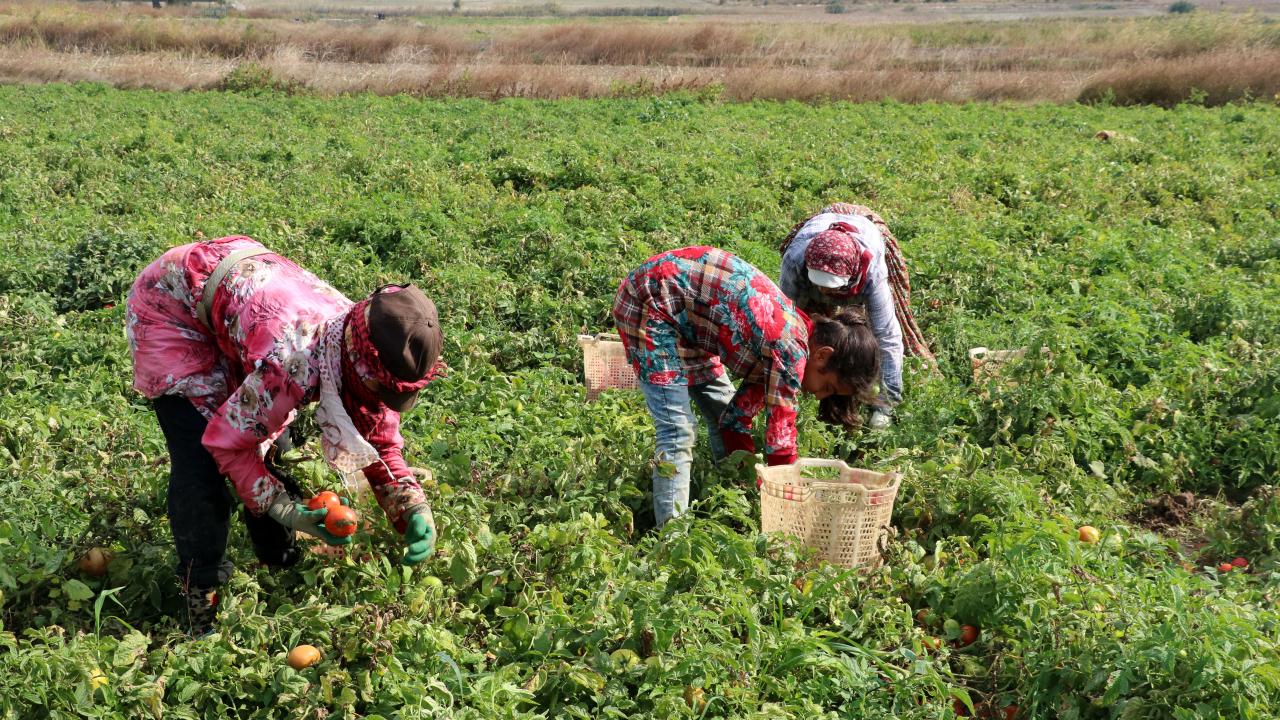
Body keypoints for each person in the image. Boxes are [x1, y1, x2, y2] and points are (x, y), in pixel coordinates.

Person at [126, 235, 444, 635]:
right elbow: (227, 444)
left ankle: (277, 559)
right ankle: (202, 595)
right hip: (173, 304)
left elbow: (377, 434)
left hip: (243, 299)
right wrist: (284, 508)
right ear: (360, 365)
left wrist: (411, 504)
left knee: (272, 441)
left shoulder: (363, 338)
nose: (382, 399)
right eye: (381, 390)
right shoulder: (293, 361)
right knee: (201, 464)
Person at [612, 246, 880, 527]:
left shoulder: (781, 350)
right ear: (823, 355)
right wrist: (790, 512)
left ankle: (729, 498)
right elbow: (781, 445)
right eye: (829, 388)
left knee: (721, 407)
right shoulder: (790, 351)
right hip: (652, 300)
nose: (819, 395)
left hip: (688, 319)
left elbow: (735, 420)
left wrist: (747, 486)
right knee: (677, 431)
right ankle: (671, 534)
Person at [778, 202, 936, 429]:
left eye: (831, 286)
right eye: (820, 285)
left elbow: (888, 338)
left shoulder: (872, 273)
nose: (824, 292)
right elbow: (784, 321)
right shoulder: (796, 260)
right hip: (819, 235)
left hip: (864, 228)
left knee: (872, 335)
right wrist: (784, 382)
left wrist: (886, 403)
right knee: (800, 329)